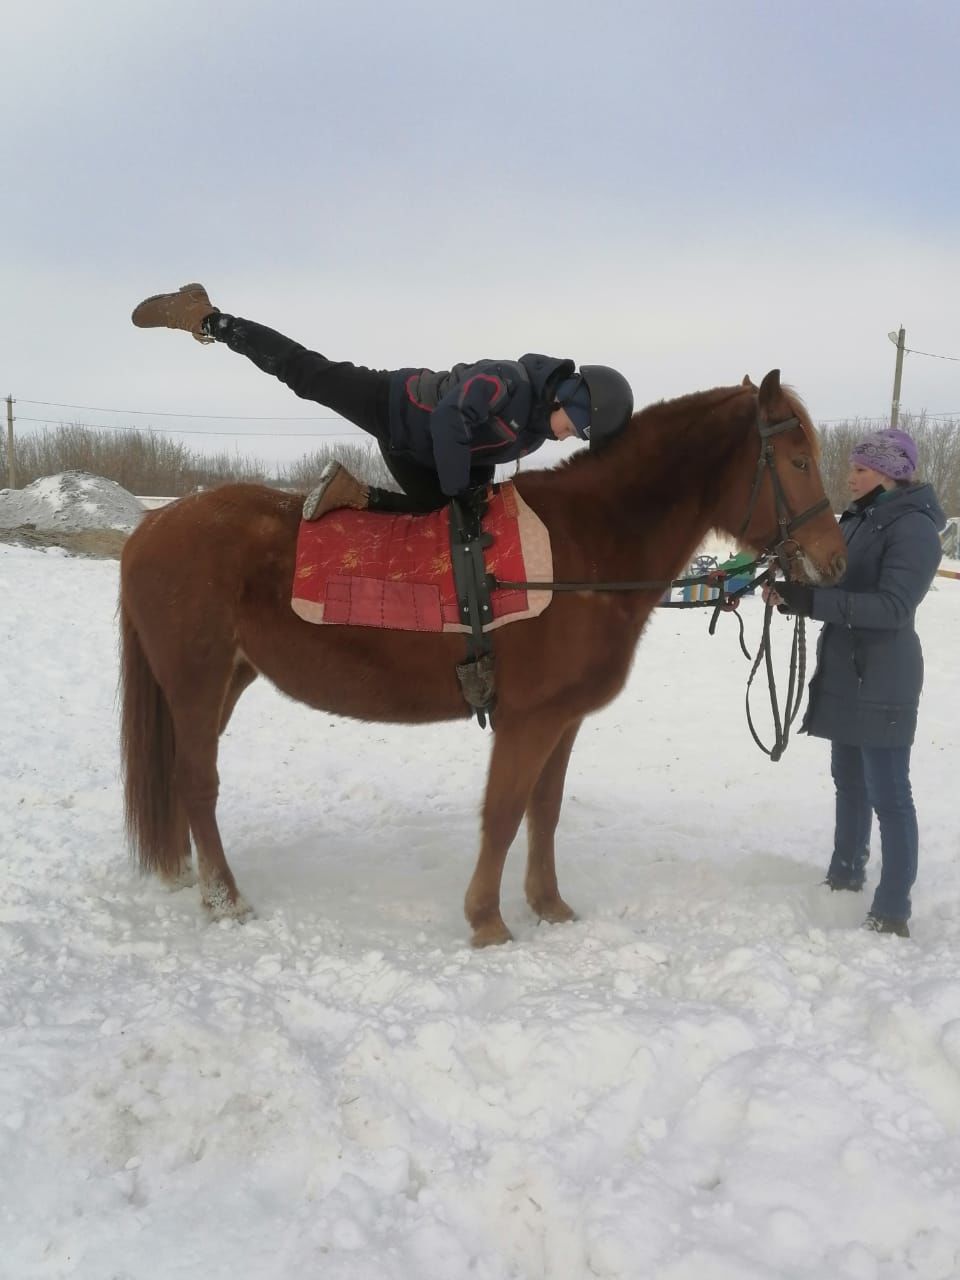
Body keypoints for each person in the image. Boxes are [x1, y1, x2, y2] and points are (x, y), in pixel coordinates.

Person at [131, 283, 634, 520]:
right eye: (578, 425)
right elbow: (451, 420)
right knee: (304, 373)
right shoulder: (507, 381)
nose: (571, 436)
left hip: (411, 452)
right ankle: (205, 317)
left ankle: (352, 494)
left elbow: (477, 455)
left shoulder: (531, 431)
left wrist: (471, 493)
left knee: (435, 514)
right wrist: (461, 488)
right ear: (572, 396)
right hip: (392, 402)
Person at [765, 428, 944, 938]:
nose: (850, 477)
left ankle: (892, 910)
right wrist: (789, 588)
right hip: (848, 667)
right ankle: (845, 874)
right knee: (849, 780)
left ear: (889, 474)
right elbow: (837, 581)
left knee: (890, 794)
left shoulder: (913, 529)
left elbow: (892, 607)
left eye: (861, 469)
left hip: (885, 675)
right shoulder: (861, 519)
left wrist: (815, 604)